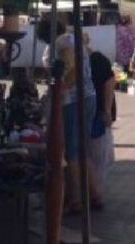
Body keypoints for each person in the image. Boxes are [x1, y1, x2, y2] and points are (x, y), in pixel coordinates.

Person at [43, 24, 102, 214]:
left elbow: (72, 68)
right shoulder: (72, 40)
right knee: (82, 148)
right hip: (87, 96)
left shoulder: (63, 42)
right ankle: (94, 194)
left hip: (75, 99)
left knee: (73, 151)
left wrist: (61, 87)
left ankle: (76, 199)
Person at [88, 52, 115, 191]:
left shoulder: (96, 59)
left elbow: (109, 82)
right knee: (99, 156)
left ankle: (95, 191)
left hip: (98, 114)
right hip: (94, 113)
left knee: (100, 156)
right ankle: (94, 191)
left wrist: (107, 111)